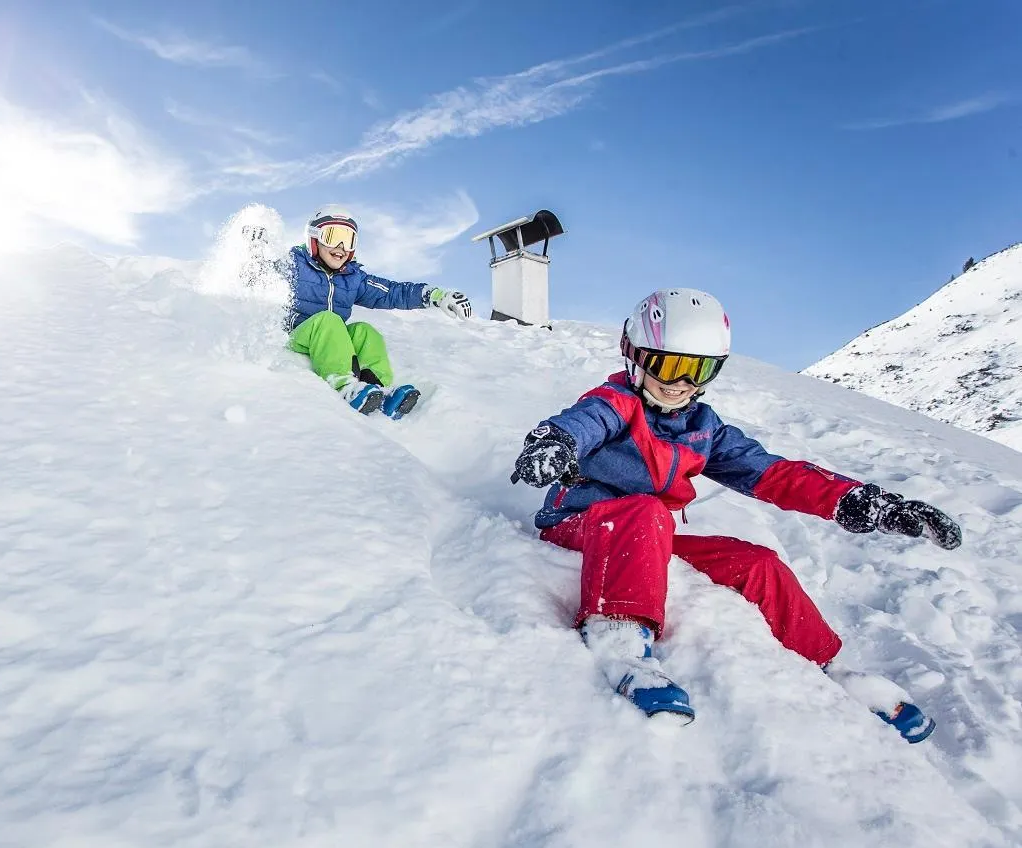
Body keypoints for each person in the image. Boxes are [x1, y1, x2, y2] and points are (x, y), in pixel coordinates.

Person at [510, 288, 961, 741]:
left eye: (698, 370)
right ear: (636, 356)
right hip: (581, 528)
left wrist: (865, 502)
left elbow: (775, 474)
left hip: (647, 538)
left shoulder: (704, 429)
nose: (680, 382)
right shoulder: (615, 403)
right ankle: (620, 641)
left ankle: (832, 668)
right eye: (669, 365)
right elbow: (581, 423)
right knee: (647, 512)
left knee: (757, 562)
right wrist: (553, 443)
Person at [286, 206, 473, 419]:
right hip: (296, 335)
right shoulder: (294, 264)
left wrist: (433, 295)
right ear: (313, 238)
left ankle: (379, 390)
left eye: (348, 240)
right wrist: (253, 250)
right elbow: (258, 275)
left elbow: (392, 292)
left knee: (364, 332)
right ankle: (344, 386)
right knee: (329, 321)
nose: (341, 247)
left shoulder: (353, 277)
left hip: (329, 337)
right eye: (333, 236)